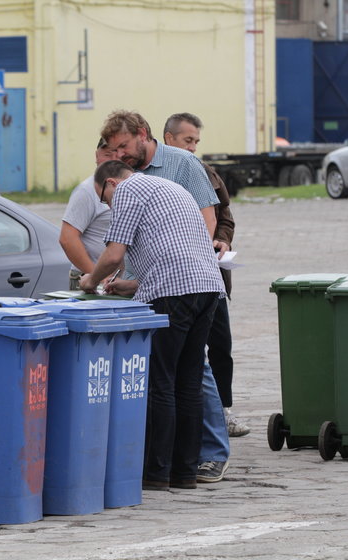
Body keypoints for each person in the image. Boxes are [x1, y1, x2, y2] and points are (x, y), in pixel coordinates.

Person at [101, 110, 230, 484]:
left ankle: (157, 473)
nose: (121, 153)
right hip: (205, 285)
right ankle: (185, 473)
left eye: (123, 146)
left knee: (162, 383)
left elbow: (113, 254)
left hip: (176, 290)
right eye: (114, 149)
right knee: (188, 382)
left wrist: (91, 283)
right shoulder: (163, 188)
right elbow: (166, 249)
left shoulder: (131, 186)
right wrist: (131, 284)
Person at [163, 112, 250, 438]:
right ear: (169, 139)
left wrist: (222, 240)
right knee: (185, 354)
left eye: (197, 141)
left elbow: (225, 216)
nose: (193, 148)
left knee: (221, 345)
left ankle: (223, 410)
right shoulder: (156, 176)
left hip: (211, 278)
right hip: (173, 281)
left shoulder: (206, 173)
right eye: (188, 141)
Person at [59, 139, 117, 289]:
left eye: (117, 153)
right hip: (91, 280)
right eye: (107, 154)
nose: (113, 159)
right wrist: (98, 276)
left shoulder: (126, 188)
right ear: (96, 156)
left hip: (115, 281)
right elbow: (67, 239)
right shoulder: (87, 191)